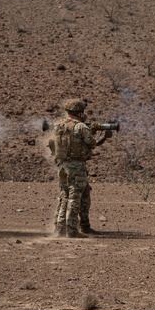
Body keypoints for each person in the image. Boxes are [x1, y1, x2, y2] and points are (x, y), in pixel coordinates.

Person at [48, 98, 111, 238]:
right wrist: (94, 130)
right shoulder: (80, 127)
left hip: (62, 165)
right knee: (75, 197)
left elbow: (52, 142)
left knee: (64, 196)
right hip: (76, 166)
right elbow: (92, 143)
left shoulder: (58, 125)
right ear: (79, 112)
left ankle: (59, 229)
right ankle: (71, 230)